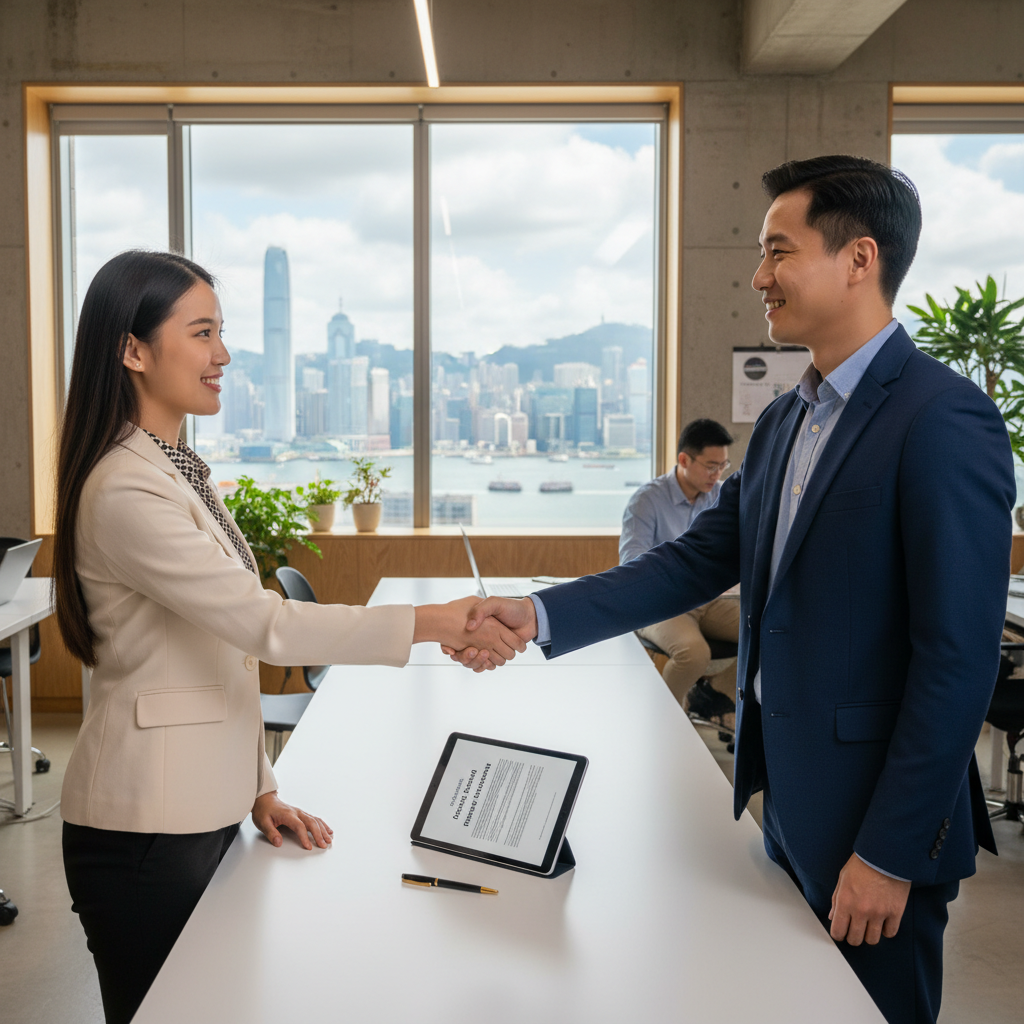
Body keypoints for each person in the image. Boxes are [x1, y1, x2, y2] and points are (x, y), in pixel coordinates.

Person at [456, 156, 1014, 1024]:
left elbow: (958, 656)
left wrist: (891, 853)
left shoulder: (944, 418)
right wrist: (536, 613)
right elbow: (691, 562)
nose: (759, 277)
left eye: (778, 252)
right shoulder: (790, 416)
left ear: (859, 259)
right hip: (786, 797)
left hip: (875, 826)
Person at [54, 250, 520, 1024]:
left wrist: (258, 788)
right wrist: (439, 624)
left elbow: (217, 657)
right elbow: (265, 625)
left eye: (222, 332)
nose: (224, 355)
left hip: (193, 813)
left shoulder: (176, 469)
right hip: (141, 831)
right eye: (202, 333)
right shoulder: (126, 484)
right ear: (133, 351)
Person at [622, 418, 740, 711]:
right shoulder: (647, 501)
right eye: (711, 466)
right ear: (684, 459)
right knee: (694, 653)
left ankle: (718, 700)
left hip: (710, 598)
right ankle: (666, 723)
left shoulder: (722, 496)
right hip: (661, 602)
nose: (717, 474)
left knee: (769, 627)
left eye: (723, 466)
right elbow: (631, 563)